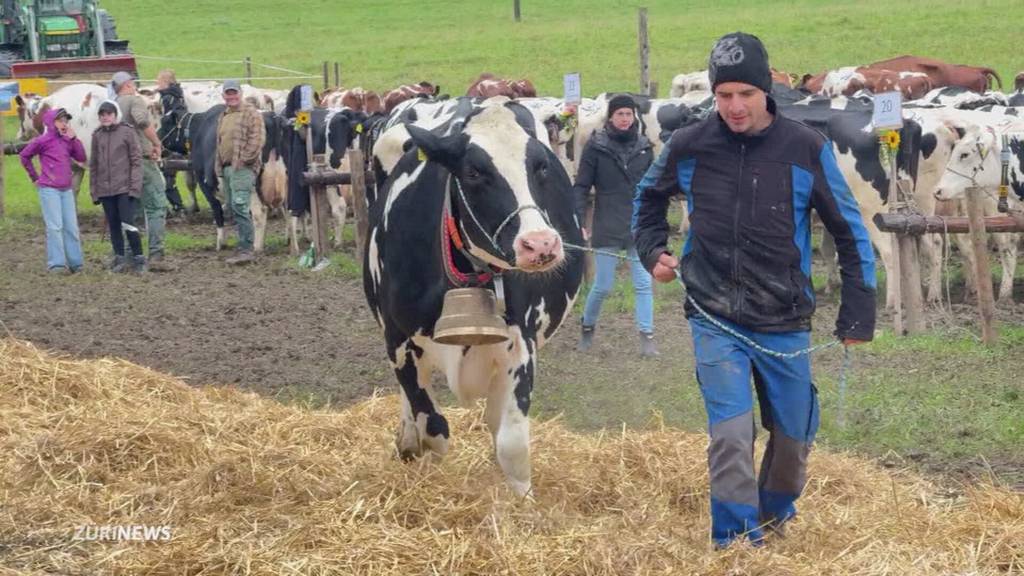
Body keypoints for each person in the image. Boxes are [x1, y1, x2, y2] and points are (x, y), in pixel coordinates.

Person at [632, 32, 876, 548]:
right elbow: (646, 199)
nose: (735, 106)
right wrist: (653, 251)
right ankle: (736, 539)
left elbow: (850, 232)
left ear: (766, 89)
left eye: (745, 93)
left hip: (784, 315)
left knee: (793, 437)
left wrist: (857, 314)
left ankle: (775, 510)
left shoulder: (806, 148)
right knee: (731, 434)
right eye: (724, 96)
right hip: (713, 311)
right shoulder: (690, 144)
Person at [573, 94, 657, 357]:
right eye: (619, 114)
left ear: (634, 117)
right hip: (607, 222)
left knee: (643, 282)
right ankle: (587, 327)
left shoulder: (645, 147)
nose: (624, 119)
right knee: (603, 285)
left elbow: (653, 187)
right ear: (610, 117)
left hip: (637, 223)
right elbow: (582, 186)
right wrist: (578, 219)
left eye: (628, 114)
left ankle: (647, 337)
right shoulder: (596, 146)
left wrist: (655, 219)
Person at [113, 70, 173, 272]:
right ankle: (156, 254)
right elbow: (142, 120)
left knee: (132, 210)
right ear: (128, 85)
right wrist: (156, 142)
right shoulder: (134, 101)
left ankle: (131, 256)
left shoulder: (113, 106)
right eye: (132, 82)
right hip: (143, 162)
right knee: (157, 206)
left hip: (122, 165)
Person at [19, 107, 87, 274]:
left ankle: (75, 263)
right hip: (49, 189)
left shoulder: (67, 141)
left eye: (66, 120)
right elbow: (24, 156)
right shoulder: (42, 141)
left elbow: (81, 157)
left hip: (66, 189)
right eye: (60, 120)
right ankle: (56, 264)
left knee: (71, 226)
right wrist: (34, 177)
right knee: (55, 226)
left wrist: (74, 139)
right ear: (51, 122)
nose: (64, 123)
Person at [90, 100, 144, 273]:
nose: (105, 117)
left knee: (128, 224)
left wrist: (134, 187)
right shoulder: (97, 135)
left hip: (124, 188)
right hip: (105, 189)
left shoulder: (127, 132)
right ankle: (119, 258)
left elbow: (136, 160)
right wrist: (94, 191)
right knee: (113, 225)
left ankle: (139, 259)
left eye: (109, 114)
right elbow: (94, 165)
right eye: (102, 114)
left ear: (115, 115)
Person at [215, 78, 265, 265]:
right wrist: (219, 166)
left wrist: (244, 160)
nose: (231, 97)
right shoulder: (224, 115)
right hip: (227, 168)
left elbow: (257, 140)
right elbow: (219, 142)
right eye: (228, 94)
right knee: (232, 207)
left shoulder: (252, 114)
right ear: (223, 96)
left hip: (242, 168)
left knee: (240, 205)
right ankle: (243, 246)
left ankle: (246, 249)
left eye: (234, 93)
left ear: (240, 94)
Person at [156, 69, 187, 216]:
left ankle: (176, 206)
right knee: (168, 175)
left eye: (159, 82)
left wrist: (158, 138)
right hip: (176, 141)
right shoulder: (178, 95)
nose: (156, 84)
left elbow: (169, 121)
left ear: (166, 83)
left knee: (166, 174)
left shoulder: (168, 98)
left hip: (170, 142)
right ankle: (177, 206)